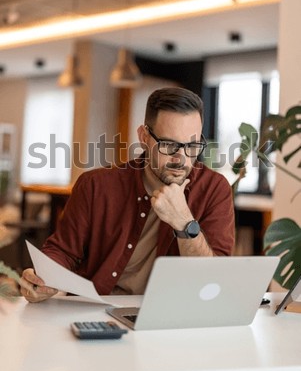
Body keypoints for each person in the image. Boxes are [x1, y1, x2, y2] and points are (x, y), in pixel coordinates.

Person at [20, 87, 235, 302]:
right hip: (93, 311)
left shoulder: (215, 189)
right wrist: (44, 280)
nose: (181, 158)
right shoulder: (95, 185)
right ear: (144, 137)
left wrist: (184, 223)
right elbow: (64, 251)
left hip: (169, 316)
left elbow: (212, 281)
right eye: (169, 144)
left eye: (192, 145)